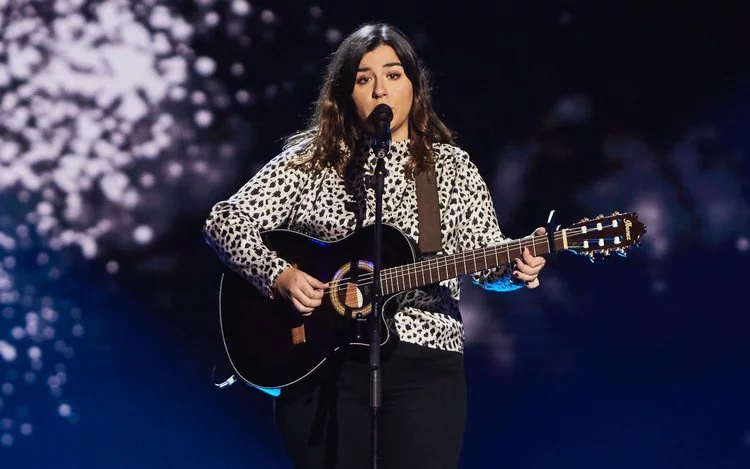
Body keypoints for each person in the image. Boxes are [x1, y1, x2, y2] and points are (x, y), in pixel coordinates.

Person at [203, 22, 547, 469]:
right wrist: (277, 274)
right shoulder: (312, 160)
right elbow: (224, 220)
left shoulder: (448, 168)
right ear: (345, 93)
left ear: (414, 87)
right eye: (364, 79)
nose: (380, 89)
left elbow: (486, 261)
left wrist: (515, 269)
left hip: (425, 365)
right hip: (319, 363)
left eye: (393, 75)